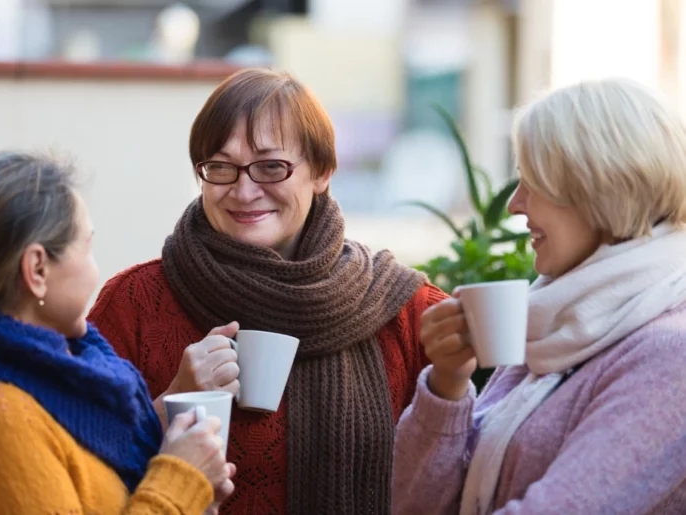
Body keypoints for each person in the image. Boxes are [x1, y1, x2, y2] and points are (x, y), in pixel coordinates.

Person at [88, 67, 447, 514]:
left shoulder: (406, 311)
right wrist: (167, 405)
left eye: (271, 166)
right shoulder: (134, 303)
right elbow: (75, 476)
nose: (244, 190)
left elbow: (464, 472)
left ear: (321, 171)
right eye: (220, 167)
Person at [392, 78, 686, 514]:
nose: (514, 204)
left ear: (599, 186)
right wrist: (449, 382)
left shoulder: (670, 354)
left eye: (532, 182)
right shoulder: (557, 320)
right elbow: (414, 504)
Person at [0, 152, 236, 514]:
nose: (94, 269)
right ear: (37, 269)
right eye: (87, 246)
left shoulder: (67, 377)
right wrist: (181, 481)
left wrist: (196, 495)